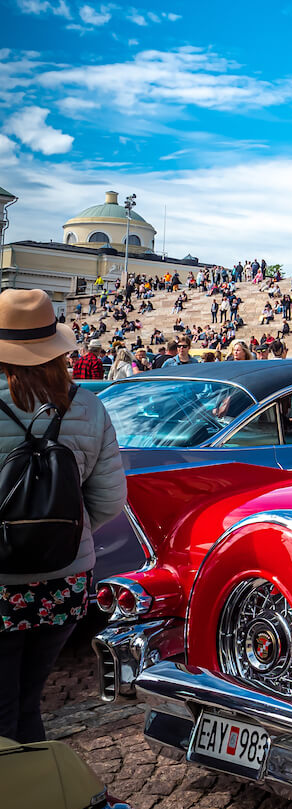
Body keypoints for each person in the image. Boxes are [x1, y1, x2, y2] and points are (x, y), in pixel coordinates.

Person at [0, 290, 126, 741]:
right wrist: (57, 531)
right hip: (63, 577)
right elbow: (110, 500)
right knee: (28, 702)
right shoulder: (88, 405)